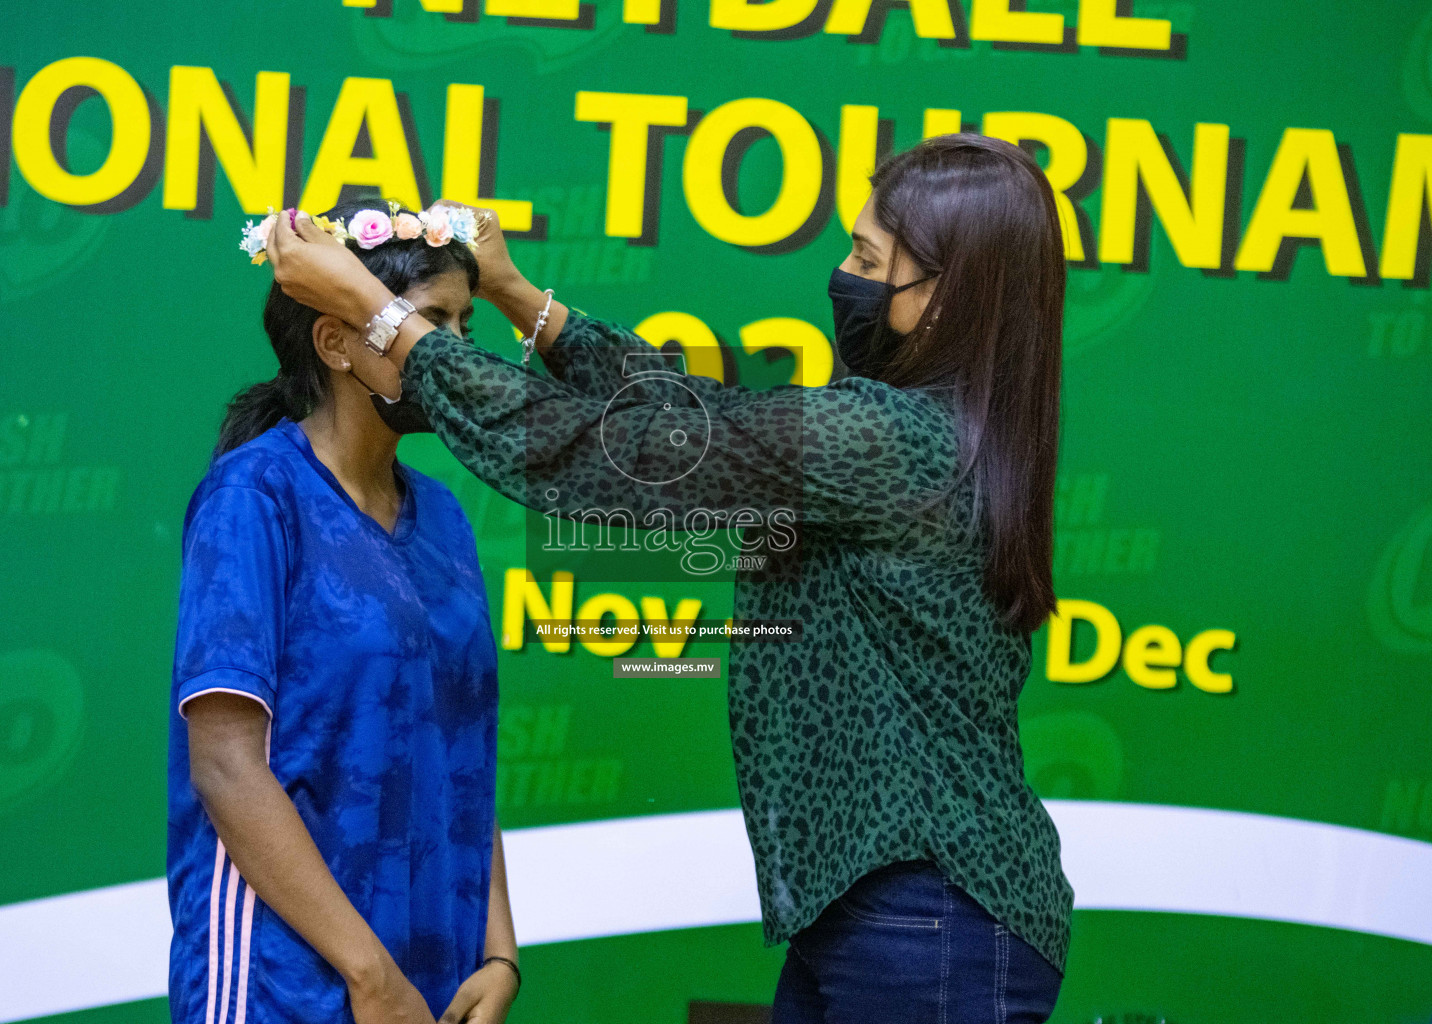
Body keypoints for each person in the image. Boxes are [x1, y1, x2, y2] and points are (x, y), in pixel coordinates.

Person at [263, 132, 1074, 1021]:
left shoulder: (885, 438)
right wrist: (514, 294)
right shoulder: (922, 432)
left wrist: (384, 319)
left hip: (930, 922)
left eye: (868, 258)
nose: (845, 273)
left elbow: (620, 459)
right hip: (887, 918)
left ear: (947, 295)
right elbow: (701, 416)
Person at [166, 200, 520, 1024]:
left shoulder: (445, 517)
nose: (454, 353)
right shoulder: (252, 496)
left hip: (433, 972)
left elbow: (461, 744)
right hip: (286, 979)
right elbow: (224, 766)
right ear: (334, 342)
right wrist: (368, 974)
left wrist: (498, 947)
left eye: (466, 327)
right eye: (431, 323)